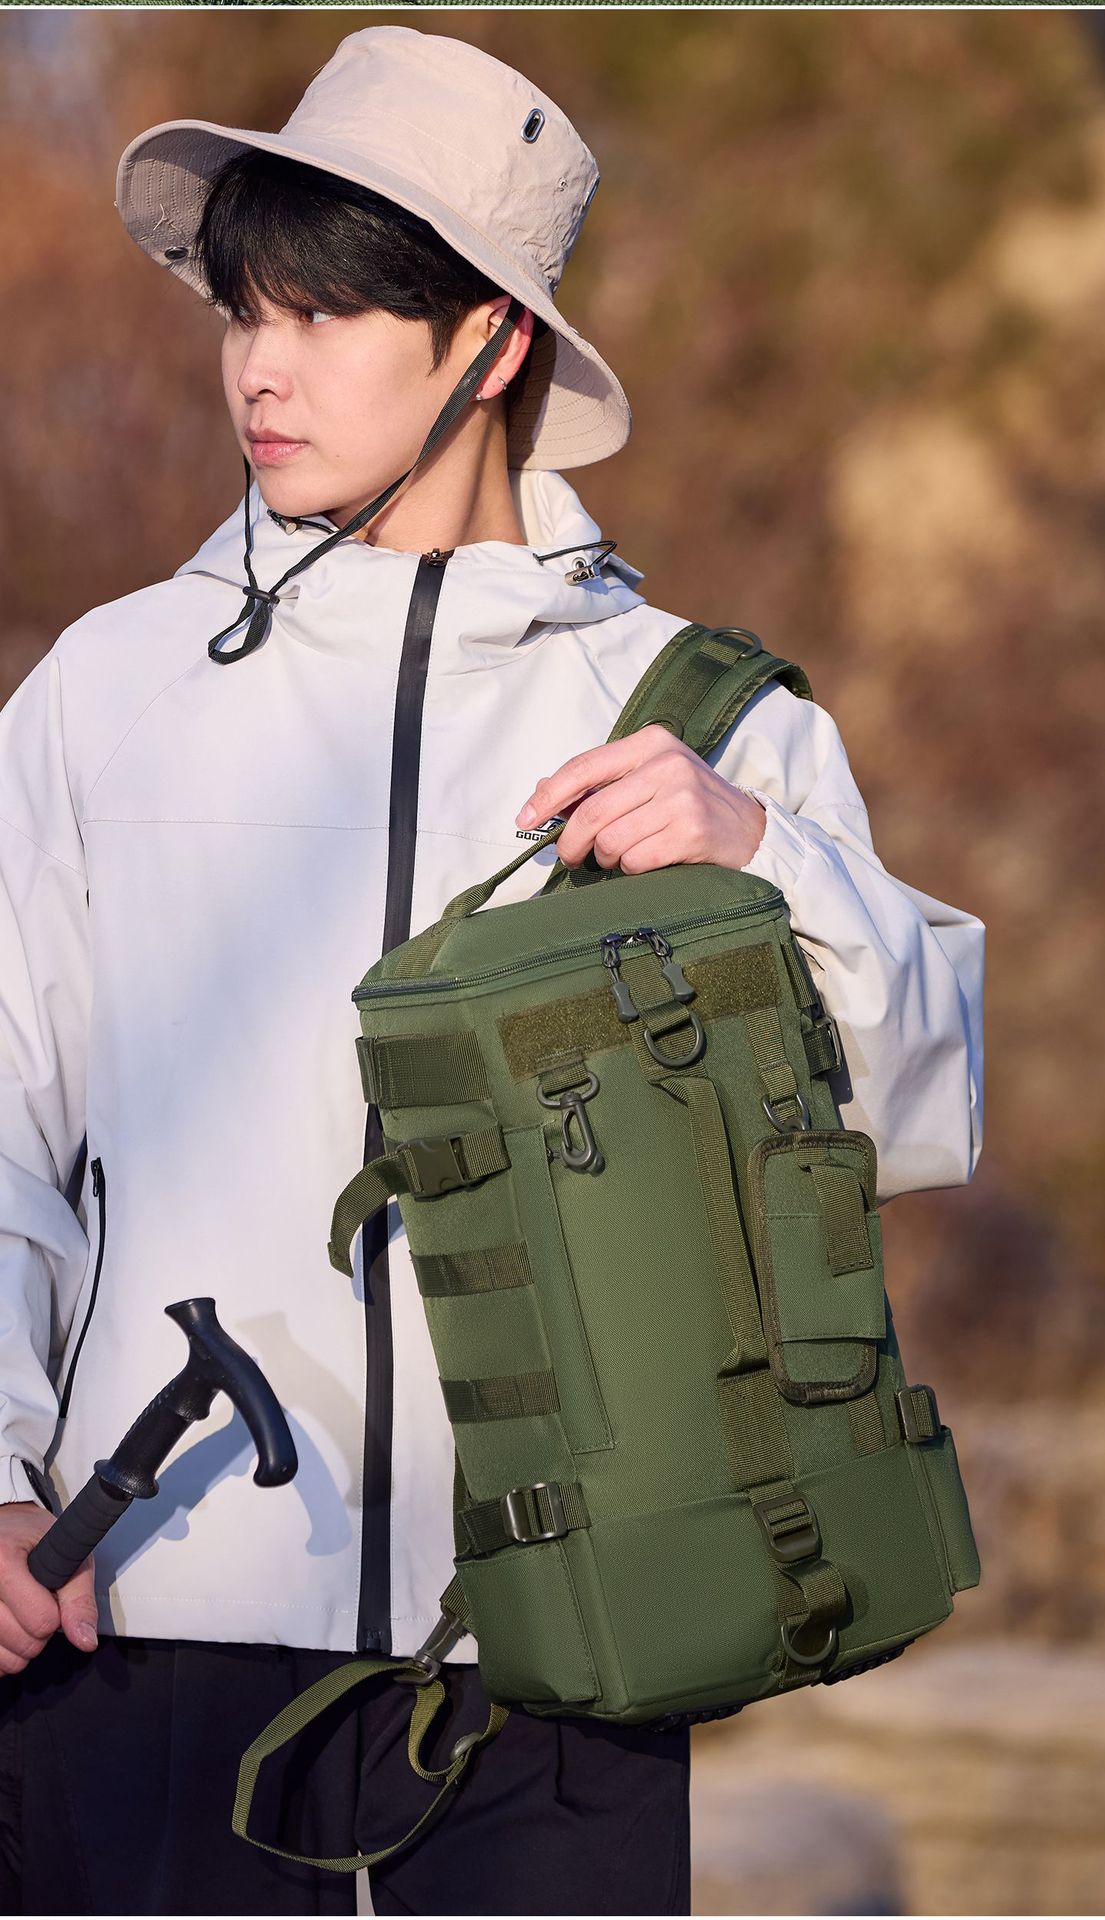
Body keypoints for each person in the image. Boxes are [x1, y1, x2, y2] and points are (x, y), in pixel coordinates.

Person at [0, 24, 985, 1918]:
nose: (259, 368)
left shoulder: (705, 720)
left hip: (575, 1646)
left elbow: (920, 1102)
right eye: (243, 313)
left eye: (326, 316)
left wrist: (762, 862)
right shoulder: (104, 696)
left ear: (493, 344)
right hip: (148, 1627)